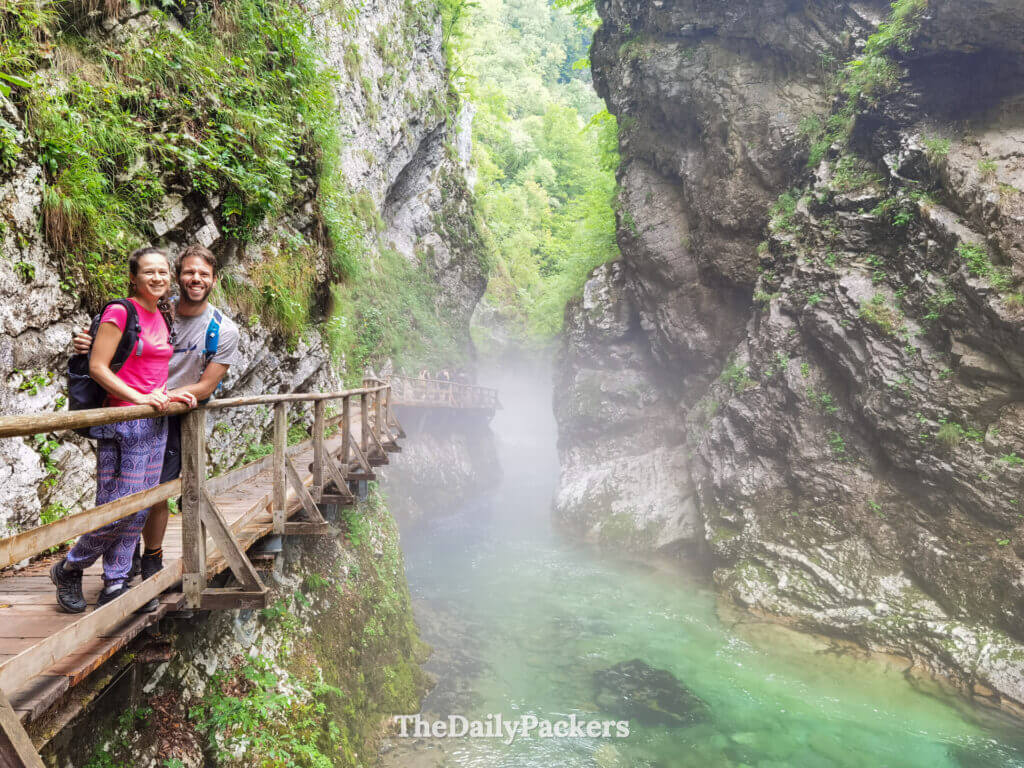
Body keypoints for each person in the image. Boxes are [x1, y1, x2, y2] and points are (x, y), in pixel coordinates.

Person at [71, 244, 241, 612]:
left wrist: (163, 398)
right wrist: (90, 344)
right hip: (129, 414)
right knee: (130, 501)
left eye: (204, 274)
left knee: (152, 495)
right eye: (188, 272)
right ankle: (92, 570)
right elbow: (110, 349)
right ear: (178, 276)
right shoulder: (152, 310)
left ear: (214, 280)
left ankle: (138, 565)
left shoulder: (220, 329)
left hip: (172, 415)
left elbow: (207, 386)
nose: (195, 279)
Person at [52, 247, 196, 613]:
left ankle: (115, 583)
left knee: (141, 505)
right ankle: (70, 567)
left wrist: (171, 396)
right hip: (123, 419)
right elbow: (99, 367)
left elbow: (154, 372)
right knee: (120, 506)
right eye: (149, 272)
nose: (158, 278)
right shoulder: (121, 311)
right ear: (133, 277)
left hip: (155, 419)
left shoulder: (162, 314)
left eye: (163, 272)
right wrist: (140, 399)